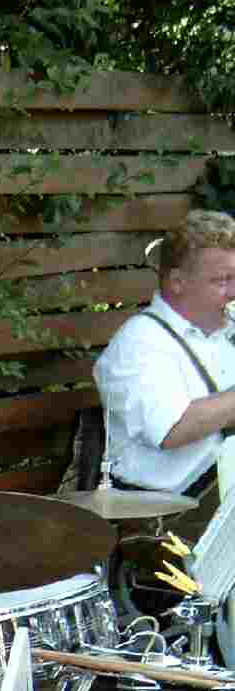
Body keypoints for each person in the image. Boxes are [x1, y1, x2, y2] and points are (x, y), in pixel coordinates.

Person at [94, 209, 235, 543]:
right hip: (166, 528)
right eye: (222, 281)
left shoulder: (227, 332)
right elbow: (173, 429)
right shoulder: (140, 342)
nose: (233, 291)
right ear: (177, 282)